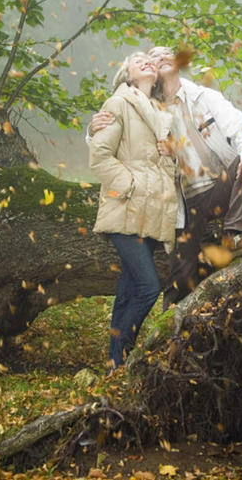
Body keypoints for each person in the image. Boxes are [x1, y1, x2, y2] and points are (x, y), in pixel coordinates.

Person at [90, 46, 242, 308]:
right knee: (181, 276)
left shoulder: (204, 96)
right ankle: (168, 328)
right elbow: (116, 128)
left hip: (221, 187)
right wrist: (92, 129)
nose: (160, 56)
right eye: (154, 55)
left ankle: (235, 235)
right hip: (184, 202)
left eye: (166, 53)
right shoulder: (150, 106)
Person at [89, 52, 178, 369]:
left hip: (152, 211)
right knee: (148, 287)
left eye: (149, 60)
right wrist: (127, 185)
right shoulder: (117, 104)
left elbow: (164, 165)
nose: (145, 61)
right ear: (126, 73)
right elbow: (99, 155)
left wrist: (168, 154)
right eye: (136, 59)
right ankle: (125, 353)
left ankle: (115, 364)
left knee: (127, 290)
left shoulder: (160, 113)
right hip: (126, 206)